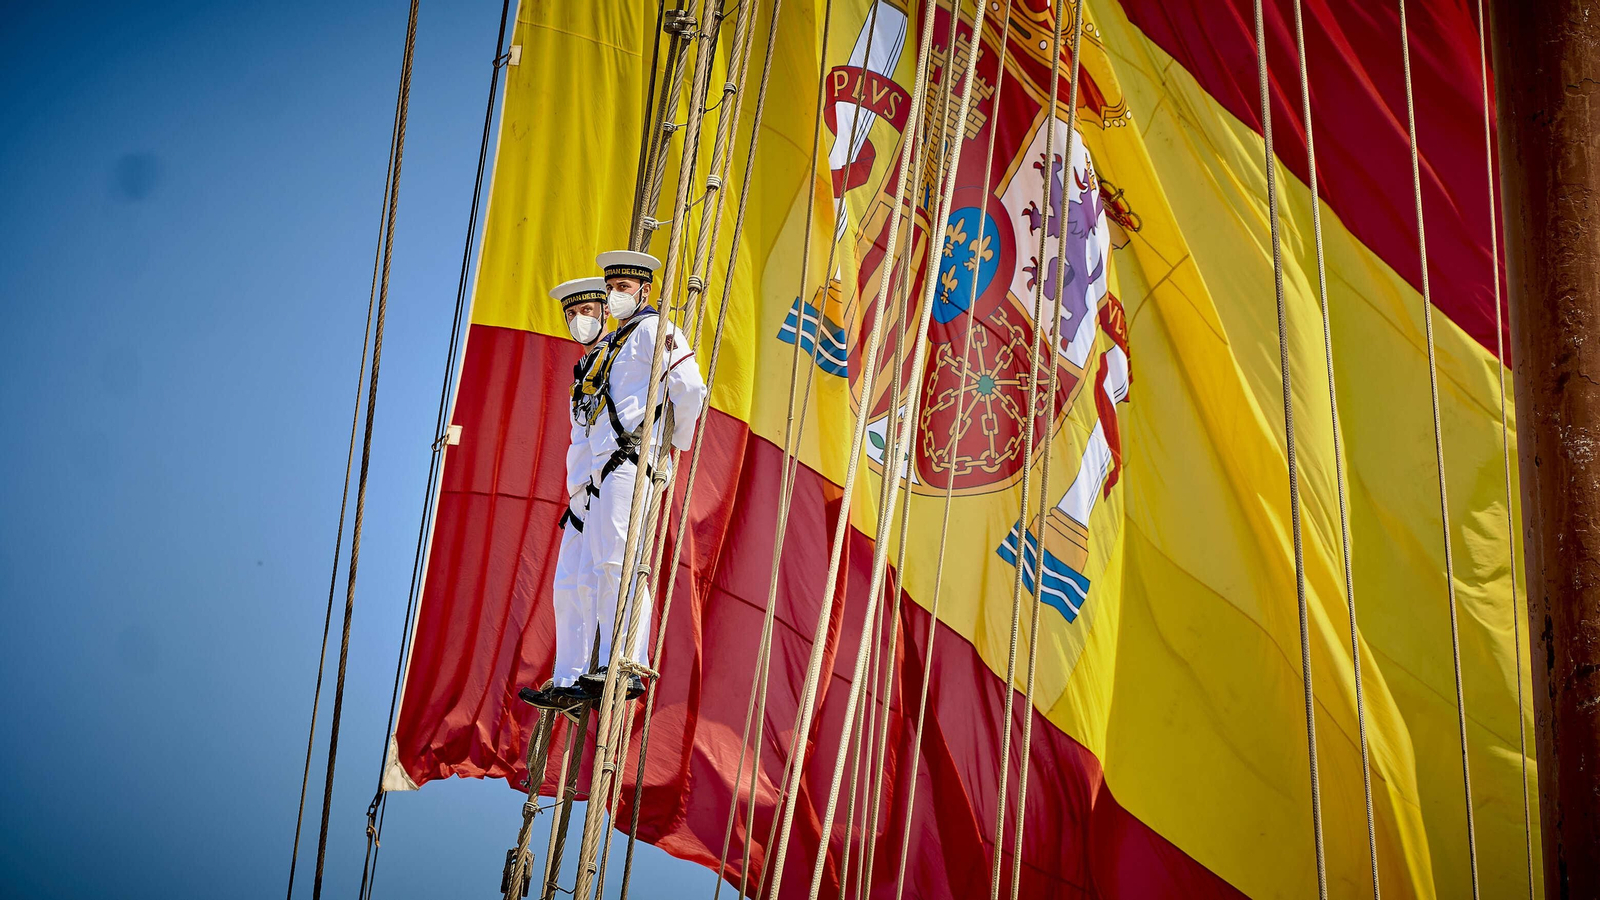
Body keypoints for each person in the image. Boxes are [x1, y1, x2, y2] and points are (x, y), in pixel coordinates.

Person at [576, 249, 706, 701]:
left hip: (632, 460)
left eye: (623, 289)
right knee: (600, 565)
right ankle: (609, 660)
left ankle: (629, 660)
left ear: (644, 291)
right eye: (609, 289)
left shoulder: (653, 329)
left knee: (619, 561)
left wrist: (677, 443)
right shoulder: (615, 342)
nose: (612, 297)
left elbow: (690, 387)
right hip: (605, 468)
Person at [520, 277, 611, 711]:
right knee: (568, 585)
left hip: (611, 483)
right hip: (580, 496)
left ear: (606, 311)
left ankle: (616, 661)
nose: (579, 321)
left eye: (587, 313)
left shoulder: (620, 356)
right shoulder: (580, 374)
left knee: (607, 575)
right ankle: (568, 678)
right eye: (572, 315)